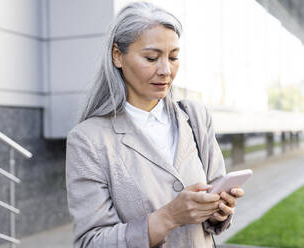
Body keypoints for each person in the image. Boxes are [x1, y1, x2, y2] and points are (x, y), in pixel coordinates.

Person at [66, 2, 245, 247]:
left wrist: (220, 210)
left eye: (173, 57)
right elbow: (91, 242)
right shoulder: (89, 139)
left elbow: (216, 202)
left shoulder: (195, 117)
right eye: (151, 58)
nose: (165, 70)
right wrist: (169, 217)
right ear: (117, 55)